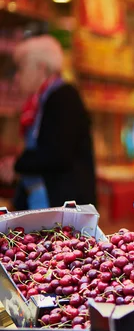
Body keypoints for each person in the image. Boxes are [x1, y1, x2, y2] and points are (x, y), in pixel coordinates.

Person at [0, 35, 97, 210]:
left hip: (65, 209)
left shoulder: (63, 97)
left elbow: (57, 154)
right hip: (46, 204)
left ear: (41, 68)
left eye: (21, 68)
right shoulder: (41, 100)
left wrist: (16, 164)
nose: (17, 77)